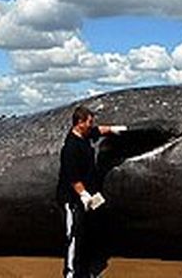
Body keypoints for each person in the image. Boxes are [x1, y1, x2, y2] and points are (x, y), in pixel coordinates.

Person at [57, 105, 127, 278]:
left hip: (86, 197)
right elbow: (72, 177)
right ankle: (71, 274)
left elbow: (97, 130)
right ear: (79, 123)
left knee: (85, 234)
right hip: (72, 200)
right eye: (89, 122)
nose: (92, 125)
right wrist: (83, 195)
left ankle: (84, 272)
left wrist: (112, 129)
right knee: (73, 236)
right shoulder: (71, 148)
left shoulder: (85, 134)